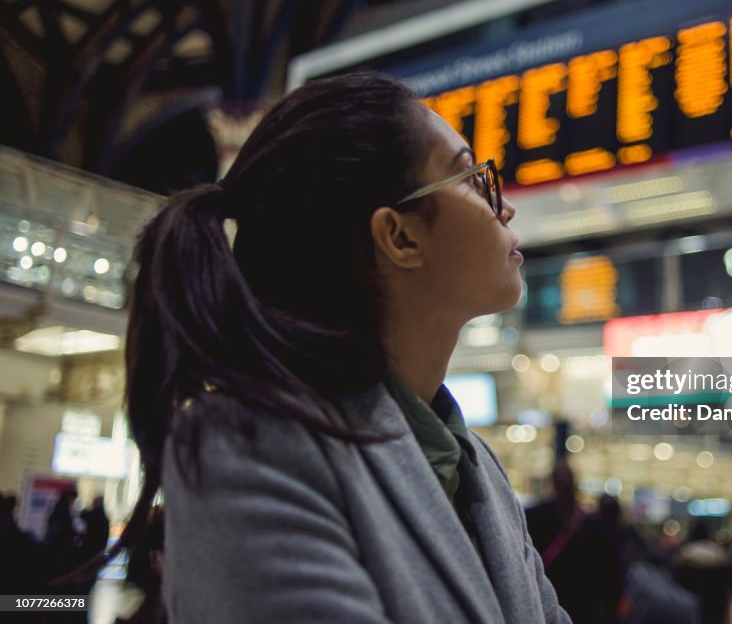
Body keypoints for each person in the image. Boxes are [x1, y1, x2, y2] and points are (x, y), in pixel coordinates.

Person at [111, 71, 568, 623]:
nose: (505, 208)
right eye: (473, 178)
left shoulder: (477, 466)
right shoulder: (248, 442)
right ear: (399, 237)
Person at [526, 462, 620, 623]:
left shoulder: (533, 517)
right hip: (583, 607)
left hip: (545, 604)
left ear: (552, 482)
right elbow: (608, 573)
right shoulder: (592, 526)